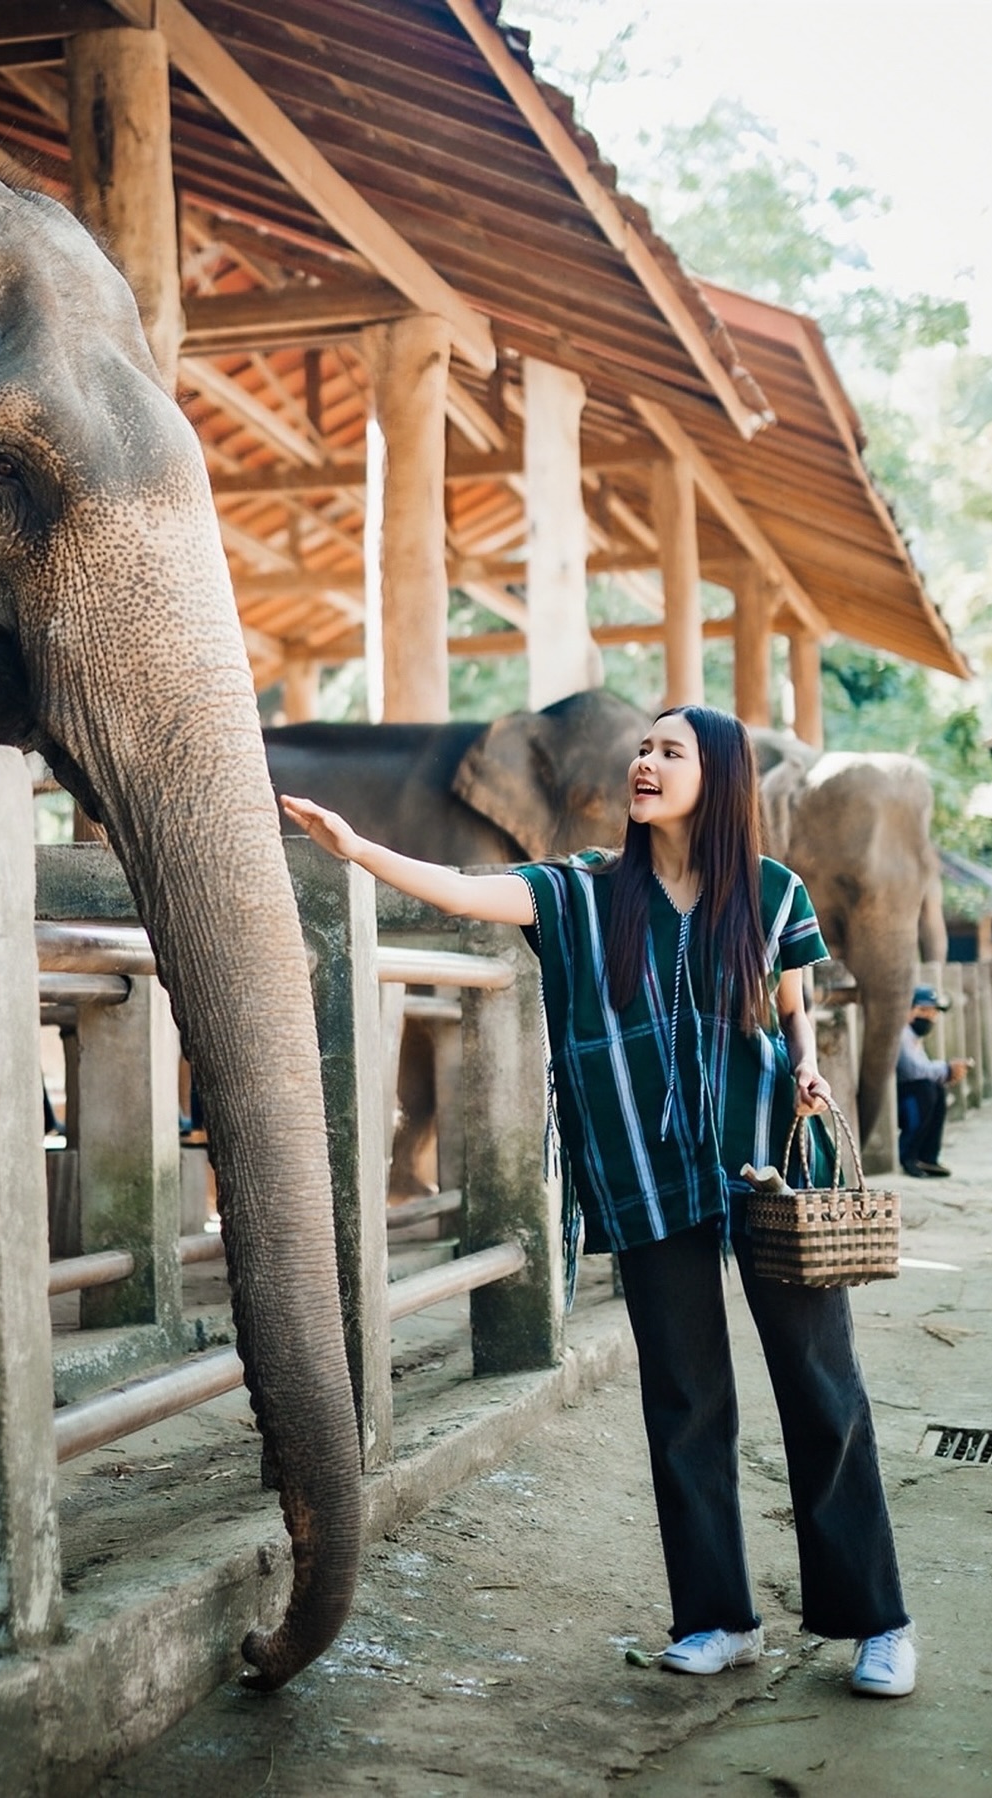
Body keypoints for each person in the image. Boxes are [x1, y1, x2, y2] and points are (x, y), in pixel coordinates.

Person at [283, 704, 915, 1700]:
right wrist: (360, 849)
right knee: (684, 1399)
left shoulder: (770, 890)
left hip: (763, 1170)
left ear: (721, 778)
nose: (645, 764)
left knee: (822, 1389)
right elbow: (464, 888)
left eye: (671, 750)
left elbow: (792, 1014)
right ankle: (717, 1618)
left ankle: (875, 1620)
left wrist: (807, 1071)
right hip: (642, 1175)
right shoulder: (582, 893)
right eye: (644, 749)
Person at [895, 986, 969, 1177]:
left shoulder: (915, 1038)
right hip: (901, 1095)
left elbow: (923, 1067)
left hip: (911, 1090)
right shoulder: (902, 1034)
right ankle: (908, 1156)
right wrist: (946, 1069)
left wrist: (946, 1073)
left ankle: (927, 1158)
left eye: (933, 1012)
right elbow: (911, 1070)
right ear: (909, 1010)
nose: (929, 1017)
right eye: (923, 1011)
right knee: (925, 1089)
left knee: (936, 1088)